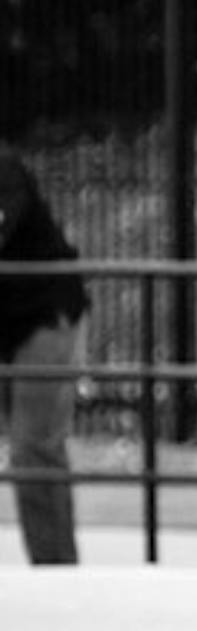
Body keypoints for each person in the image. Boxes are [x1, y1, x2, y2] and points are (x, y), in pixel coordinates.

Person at [0, 141, 90, 565]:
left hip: (43, 318)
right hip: (13, 322)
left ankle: (56, 570)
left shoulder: (4, 168)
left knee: (33, 448)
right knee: (35, 450)